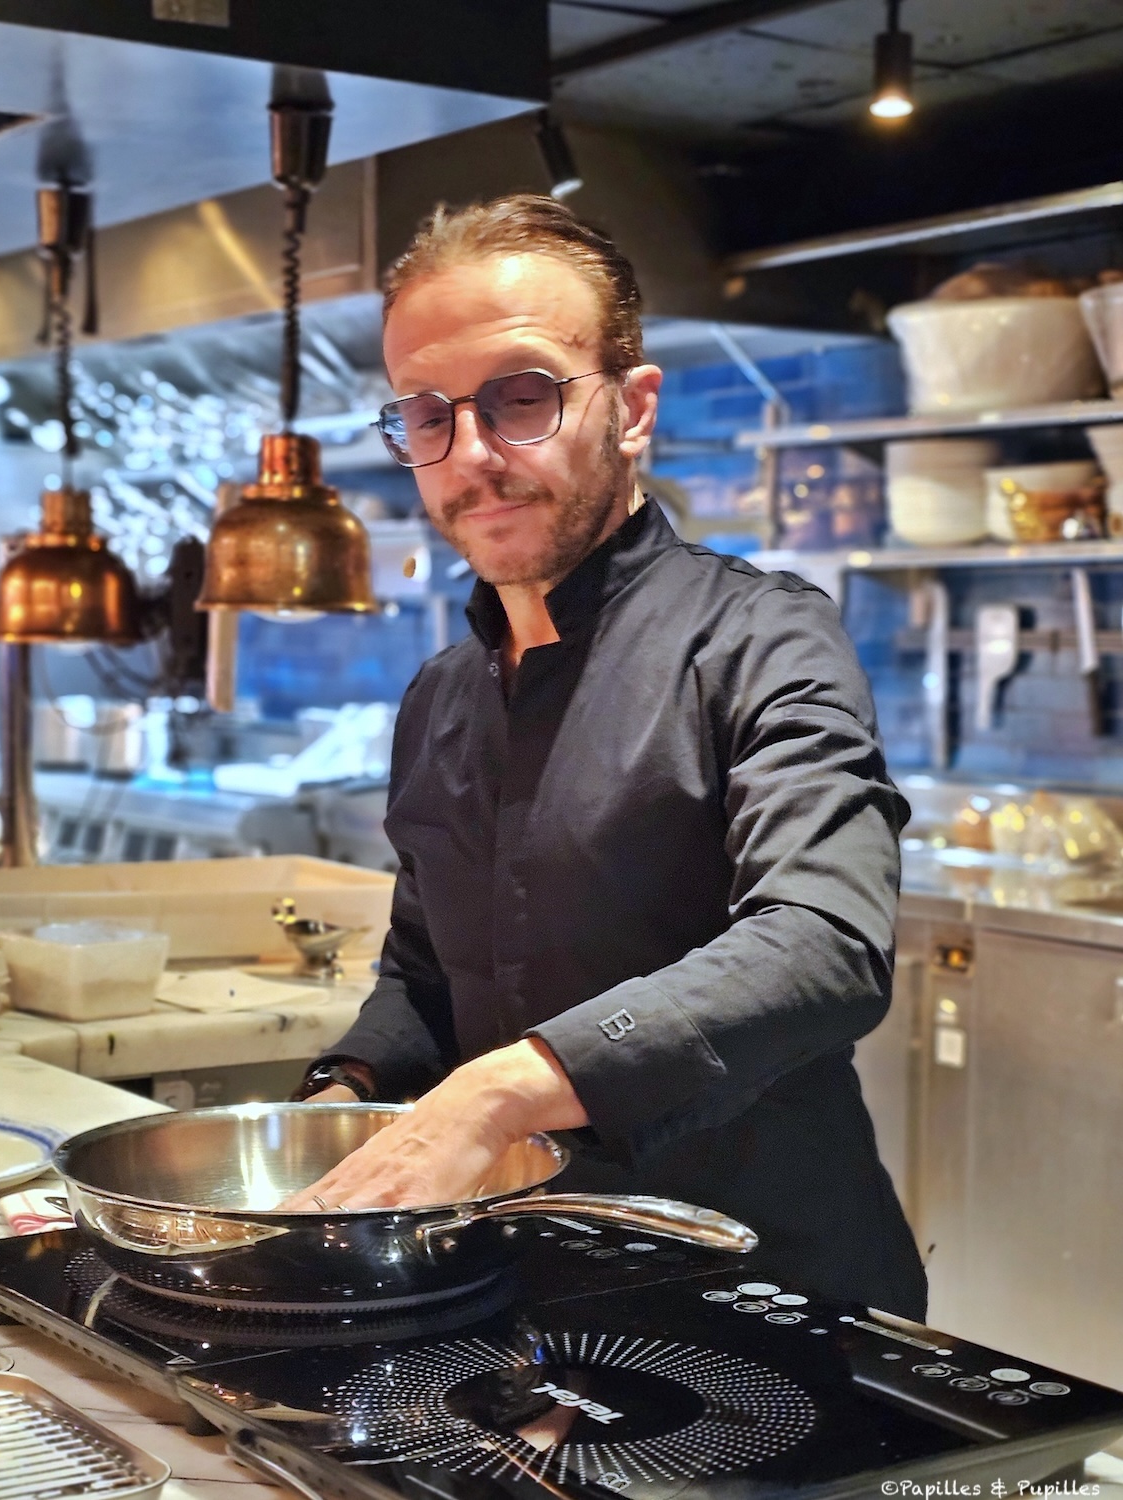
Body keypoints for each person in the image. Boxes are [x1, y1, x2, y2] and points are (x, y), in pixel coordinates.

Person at [287, 194, 926, 1318]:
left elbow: (822, 943)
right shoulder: (441, 696)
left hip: (762, 1295)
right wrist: (347, 1094)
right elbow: (428, 975)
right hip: (517, 1290)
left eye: (521, 398)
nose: (471, 455)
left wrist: (501, 1092)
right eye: (428, 415)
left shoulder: (761, 637)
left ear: (632, 409)